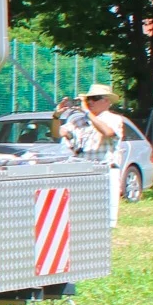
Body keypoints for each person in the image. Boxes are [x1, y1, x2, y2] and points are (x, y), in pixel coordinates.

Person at [53, 83, 122, 227]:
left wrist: (87, 113)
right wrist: (56, 116)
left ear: (107, 101)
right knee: (81, 218)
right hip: (83, 172)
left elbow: (108, 132)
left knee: (105, 221)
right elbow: (56, 134)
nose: (90, 102)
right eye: (88, 98)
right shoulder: (78, 120)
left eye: (95, 98)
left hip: (105, 171)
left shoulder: (113, 119)